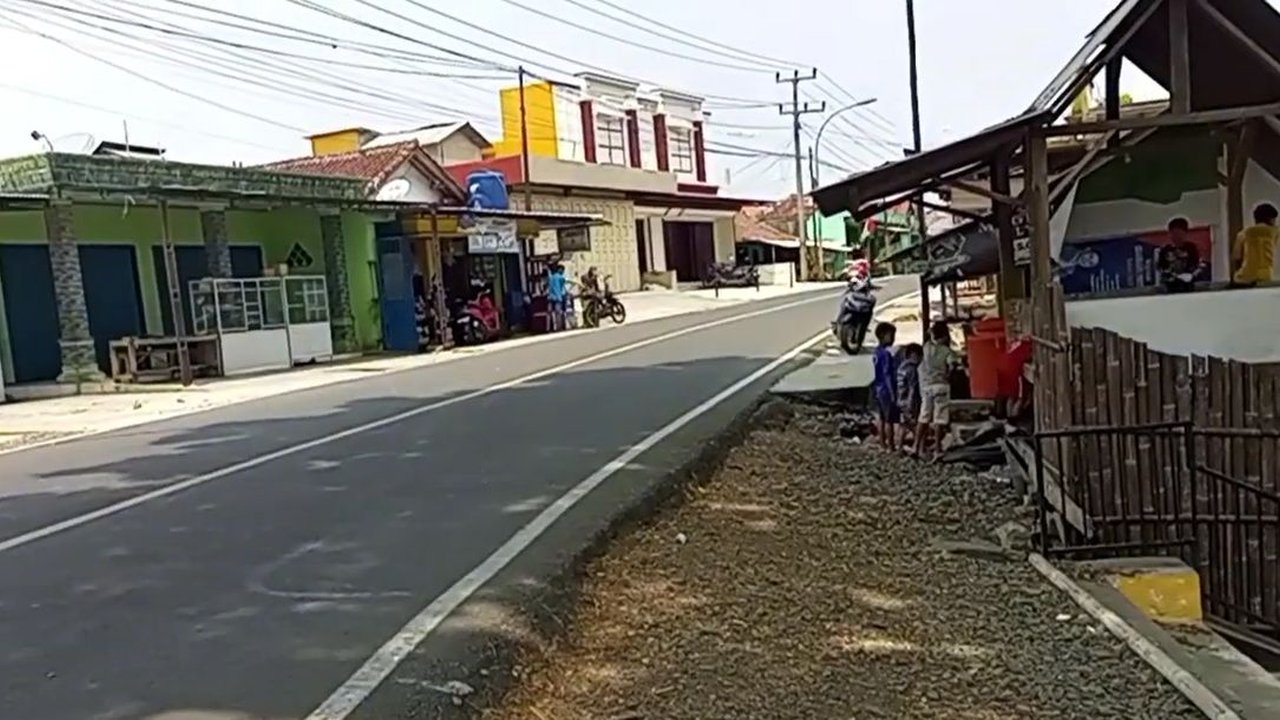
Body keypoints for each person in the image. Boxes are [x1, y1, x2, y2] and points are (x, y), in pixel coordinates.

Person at [915, 320, 958, 461]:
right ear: (945, 336)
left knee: (924, 417)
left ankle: (916, 446)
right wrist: (948, 376)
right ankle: (937, 450)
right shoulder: (947, 351)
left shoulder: (926, 347)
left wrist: (931, 332)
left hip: (927, 386)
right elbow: (953, 366)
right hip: (941, 386)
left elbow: (928, 335)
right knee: (939, 419)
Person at [1233, 202, 1279, 286]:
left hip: (1245, 277)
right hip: (1265, 276)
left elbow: (1236, 256)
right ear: (1271, 219)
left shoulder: (1243, 233)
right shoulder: (1275, 232)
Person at [871, 322, 899, 449]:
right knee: (889, 419)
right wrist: (893, 393)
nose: (893, 338)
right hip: (886, 389)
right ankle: (891, 445)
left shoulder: (876, 352)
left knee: (881, 418)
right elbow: (887, 373)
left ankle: (882, 444)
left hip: (877, 387)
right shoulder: (886, 354)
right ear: (883, 336)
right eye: (891, 335)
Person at [1158, 217, 1200, 293]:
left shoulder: (1191, 248)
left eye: (1179, 234)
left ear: (1185, 233)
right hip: (1170, 286)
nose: (1176, 237)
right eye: (1173, 233)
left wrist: (1190, 275)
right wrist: (1171, 275)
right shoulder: (1165, 249)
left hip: (1187, 285)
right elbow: (1161, 267)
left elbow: (1196, 264)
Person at [896, 343, 923, 453]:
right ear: (914, 355)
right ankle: (918, 448)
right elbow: (912, 388)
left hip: (901, 399)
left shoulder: (901, 367)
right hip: (909, 401)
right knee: (916, 424)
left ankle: (900, 447)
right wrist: (911, 403)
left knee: (903, 425)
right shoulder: (912, 369)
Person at [546, 262, 568, 331]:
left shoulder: (550, 277)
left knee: (550, 313)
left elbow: (547, 286)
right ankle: (559, 327)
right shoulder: (559, 277)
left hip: (550, 297)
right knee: (558, 313)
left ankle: (550, 328)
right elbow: (566, 282)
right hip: (558, 297)